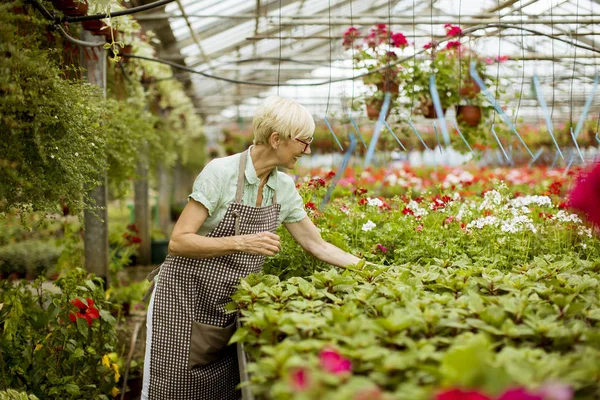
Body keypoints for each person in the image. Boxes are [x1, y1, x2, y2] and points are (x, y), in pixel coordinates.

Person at [141, 96, 362, 400]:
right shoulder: (220, 173)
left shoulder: (282, 187)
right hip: (184, 301)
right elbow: (179, 241)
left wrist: (370, 270)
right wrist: (242, 242)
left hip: (228, 307)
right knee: (175, 390)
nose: (308, 150)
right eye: (304, 141)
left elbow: (316, 244)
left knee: (224, 390)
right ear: (276, 139)